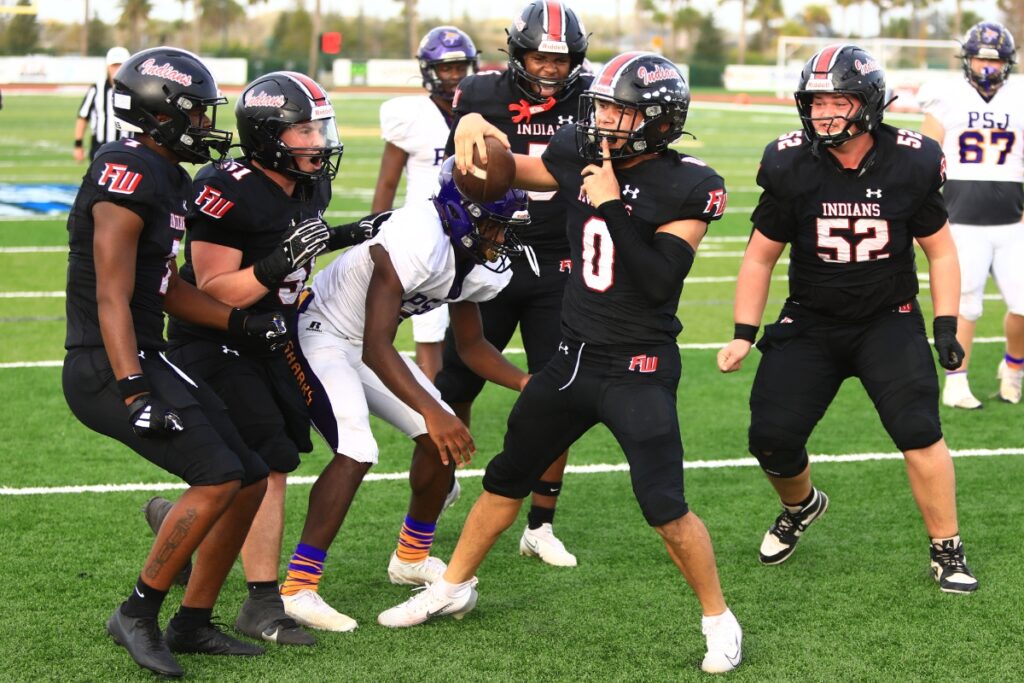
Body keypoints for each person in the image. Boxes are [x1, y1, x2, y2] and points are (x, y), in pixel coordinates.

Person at [378, 52, 743, 675]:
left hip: (639, 365)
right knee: (506, 475)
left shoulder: (688, 184)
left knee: (664, 504)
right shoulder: (580, 149)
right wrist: (470, 129)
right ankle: (453, 584)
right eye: (602, 105)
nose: (603, 118)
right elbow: (510, 170)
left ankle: (718, 618)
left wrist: (606, 205)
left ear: (658, 119)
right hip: (572, 358)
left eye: (620, 110)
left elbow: (658, 280)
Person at [62, 46, 291, 677]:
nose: (203, 127)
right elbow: (112, 295)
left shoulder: (167, 175)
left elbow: (160, 285)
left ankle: (192, 622)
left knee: (248, 473)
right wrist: (134, 391)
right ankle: (137, 612)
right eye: (193, 115)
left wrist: (239, 320)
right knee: (217, 474)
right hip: (105, 362)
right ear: (161, 112)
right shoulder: (124, 171)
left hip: (145, 351)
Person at [716, 45, 979, 595]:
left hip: (888, 318)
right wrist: (744, 332)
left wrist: (946, 323)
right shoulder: (790, 163)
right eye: (816, 102)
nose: (824, 113)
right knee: (770, 438)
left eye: (838, 100)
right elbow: (760, 255)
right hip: (810, 321)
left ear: (869, 103)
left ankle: (947, 548)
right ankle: (801, 505)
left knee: (919, 431)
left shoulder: (912, 158)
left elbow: (942, 252)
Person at [141, 71, 380, 647]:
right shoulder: (227, 186)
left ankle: (185, 519)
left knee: (268, 463)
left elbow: (302, 242)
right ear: (268, 133)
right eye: (303, 129)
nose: (318, 140)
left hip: (273, 338)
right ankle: (260, 601)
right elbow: (213, 290)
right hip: (216, 342)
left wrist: (355, 233)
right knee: (268, 463)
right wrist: (275, 267)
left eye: (319, 126)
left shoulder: (307, 181)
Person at [277, 158, 532, 632]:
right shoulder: (418, 236)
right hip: (322, 332)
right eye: (494, 227)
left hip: (365, 345)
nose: (501, 240)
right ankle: (298, 587)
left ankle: (410, 557)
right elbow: (377, 345)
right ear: (464, 215)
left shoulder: (473, 261)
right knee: (357, 448)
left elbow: (473, 346)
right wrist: (435, 412)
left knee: (442, 444)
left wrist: (523, 382)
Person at [433, 0, 592, 568]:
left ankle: (542, 523)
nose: (549, 68)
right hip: (489, 254)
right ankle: (440, 484)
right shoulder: (479, 94)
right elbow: (456, 163)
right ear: (517, 52)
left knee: (561, 394)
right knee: (455, 382)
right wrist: (468, 126)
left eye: (560, 58)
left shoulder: (591, 98)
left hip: (558, 261)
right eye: (538, 57)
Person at [918, 21, 1024, 408]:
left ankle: (1013, 368)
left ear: (1008, 63)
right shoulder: (946, 96)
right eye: (980, 57)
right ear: (967, 59)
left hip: (1013, 222)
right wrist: (921, 213)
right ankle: (956, 381)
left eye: (995, 60)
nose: (987, 67)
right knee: (965, 303)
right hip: (960, 219)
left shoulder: (1020, 96)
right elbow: (924, 160)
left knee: (1023, 305)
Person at [372, 25, 479, 384]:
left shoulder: (479, 112)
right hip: (425, 231)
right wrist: (373, 231)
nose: (453, 76)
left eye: (459, 67)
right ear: (429, 70)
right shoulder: (411, 115)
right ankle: (431, 398)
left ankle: (454, 392)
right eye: (446, 68)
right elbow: (387, 181)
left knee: (471, 316)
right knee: (429, 324)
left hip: (475, 231)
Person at [74, 46, 131, 163]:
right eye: (114, 65)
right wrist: (78, 144)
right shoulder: (97, 88)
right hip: (101, 148)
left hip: (129, 149)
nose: (117, 69)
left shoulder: (135, 90)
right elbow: (83, 116)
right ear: (107, 67)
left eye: (121, 65)